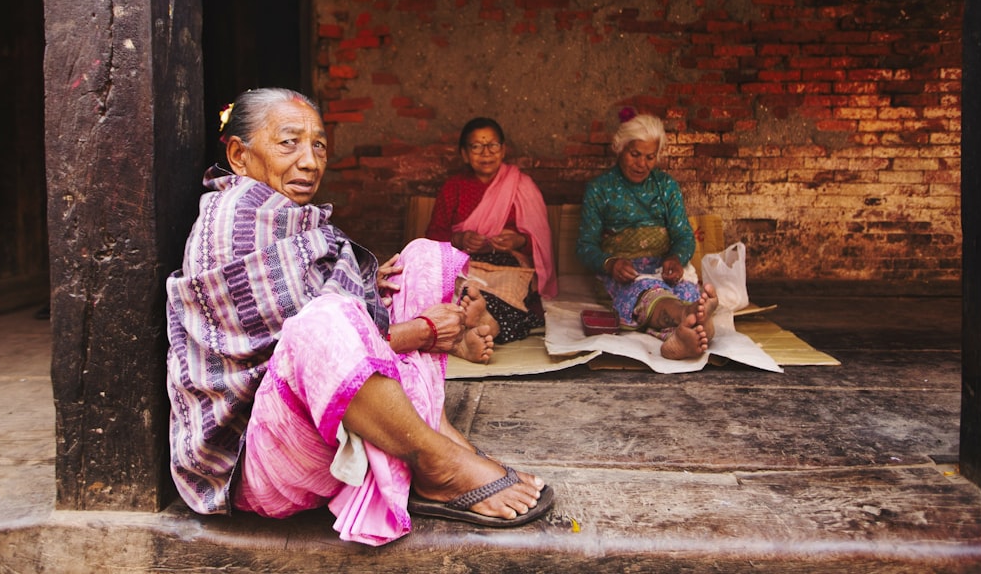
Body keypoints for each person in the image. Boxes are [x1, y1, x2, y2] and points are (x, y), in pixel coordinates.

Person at [166, 89, 553, 546]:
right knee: (324, 321)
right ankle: (436, 465)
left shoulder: (291, 218)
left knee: (420, 261)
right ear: (239, 154)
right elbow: (298, 349)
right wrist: (424, 331)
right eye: (289, 143)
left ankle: (434, 435)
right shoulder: (236, 219)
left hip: (316, 424)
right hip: (261, 459)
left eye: (319, 146)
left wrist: (371, 284)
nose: (310, 162)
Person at [576, 109, 719, 360]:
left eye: (650, 157)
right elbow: (585, 246)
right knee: (648, 293)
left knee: (685, 290)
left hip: (664, 269)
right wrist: (610, 263)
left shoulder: (666, 187)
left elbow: (684, 235)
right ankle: (694, 318)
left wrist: (675, 258)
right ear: (620, 148)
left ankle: (684, 333)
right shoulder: (600, 189)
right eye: (635, 155)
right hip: (625, 273)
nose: (642, 164)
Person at [425, 117, 557, 344]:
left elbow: (541, 242)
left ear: (503, 149)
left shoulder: (522, 185)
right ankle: (485, 326)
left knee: (512, 300)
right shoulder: (453, 188)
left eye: (492, 145)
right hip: (464, 264)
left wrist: (518, 241)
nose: (486, 153)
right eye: (476, 147)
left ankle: (480, 325)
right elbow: (432, 239)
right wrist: (459, 238)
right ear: (465, 154)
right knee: (458, 295)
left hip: (510, 265)